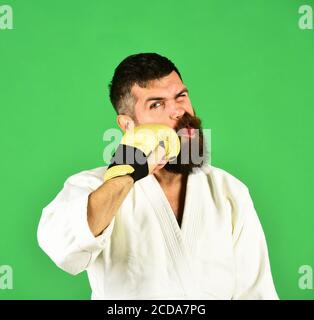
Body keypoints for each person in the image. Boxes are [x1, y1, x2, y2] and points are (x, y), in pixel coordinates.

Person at [37, 53, 278, 300]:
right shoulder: (95, 186)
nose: (177, 111)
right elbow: (61, 247)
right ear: (128, 125)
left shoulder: (228, 191)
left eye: (181, 96)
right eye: (157, 104)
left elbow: (257, 294)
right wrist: (125, 174)